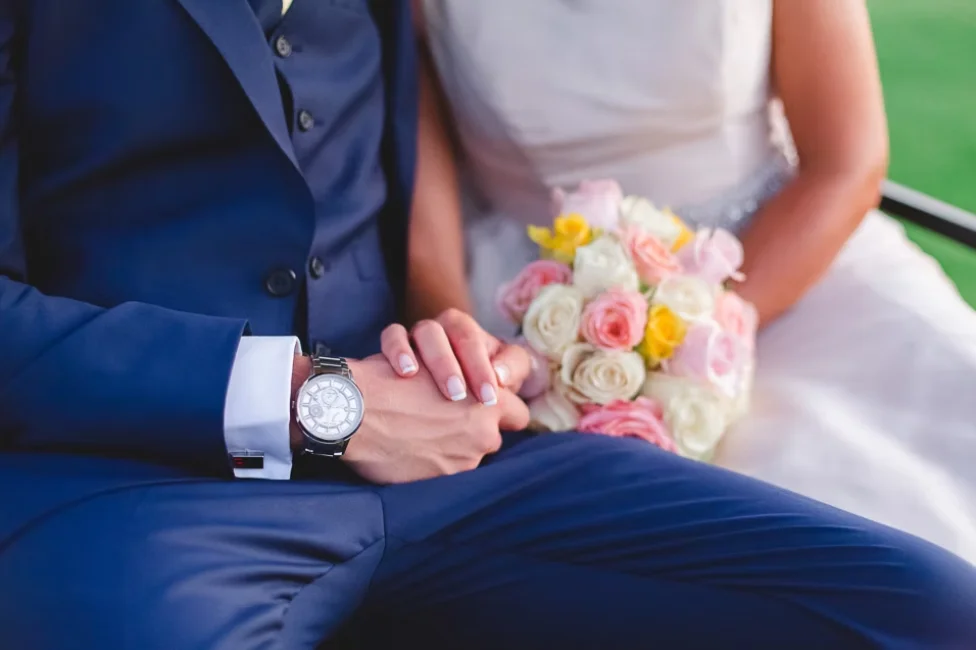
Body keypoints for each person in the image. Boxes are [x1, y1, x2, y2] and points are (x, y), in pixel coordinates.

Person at [1, 2, 975, 649]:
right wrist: (316, 402)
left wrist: (455, 338)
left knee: (925, 605)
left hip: (455, 454)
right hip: (134, 481)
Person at [416, 0, 976, 561]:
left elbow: (845, 163)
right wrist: (460, 350)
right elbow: (418, 173)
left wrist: (691, 335)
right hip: (538, 315)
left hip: (794, 256)